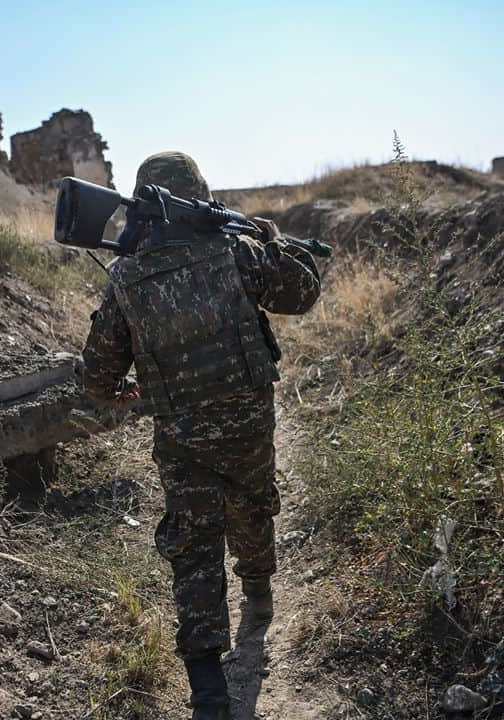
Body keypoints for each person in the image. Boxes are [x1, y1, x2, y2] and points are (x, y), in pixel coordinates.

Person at [81, 151, 321, 719]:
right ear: (199, 194)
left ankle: (209, 690)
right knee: (253, 505)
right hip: (247, 423)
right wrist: (276, 243)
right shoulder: (236, 252)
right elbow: (303, 295)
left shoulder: (128, 276)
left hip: (182, 438)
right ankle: (258, 593)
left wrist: (119, 393)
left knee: (192, 549)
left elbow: (96, 375)